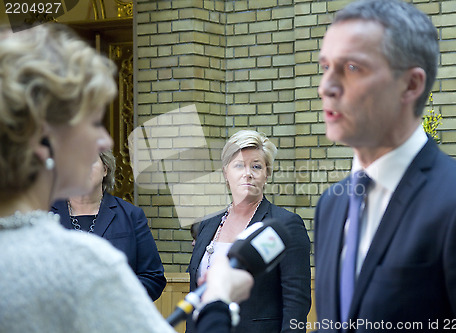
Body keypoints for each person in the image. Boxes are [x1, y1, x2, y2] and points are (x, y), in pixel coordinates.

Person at [0, 23, 253, 333]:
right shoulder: (82, 262)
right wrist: (218, 298)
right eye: (92, 123)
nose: (105, 141)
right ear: (44, 140)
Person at [314, 0, 456, 332]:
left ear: (411, 85)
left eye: (352, 68)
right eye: (325, 66)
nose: (326, 86)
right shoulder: (331, 204)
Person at [187, 130, 311, 333]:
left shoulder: (285, 224)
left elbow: (296, 303)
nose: (248, 173)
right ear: (226, 172)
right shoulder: (207, 224)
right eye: (238, 166)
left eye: (256, 166)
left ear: (266, 174)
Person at [51, 150, 166, 300]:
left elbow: (153, 277)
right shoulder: (44, 216)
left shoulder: (131, 216)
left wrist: (114, 293)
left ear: (105, 169)